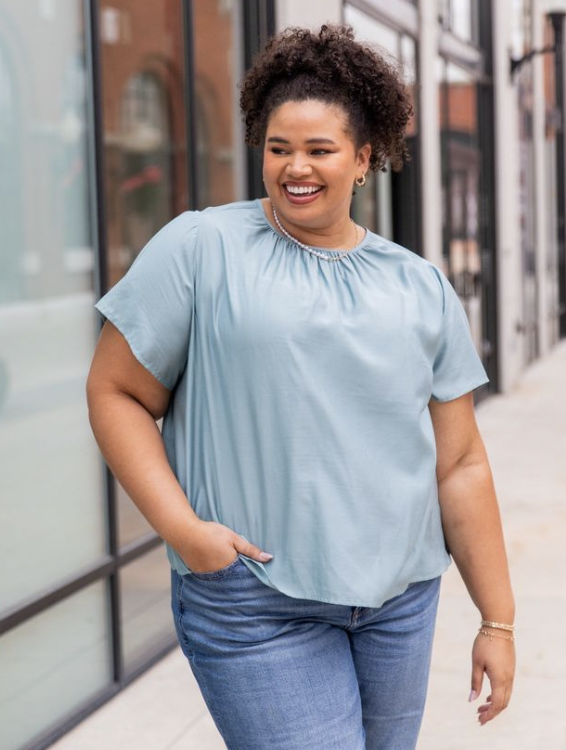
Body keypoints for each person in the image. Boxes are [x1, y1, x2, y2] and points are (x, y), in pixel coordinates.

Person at [86, 24, 515, 750]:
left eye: (319, 150)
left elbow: (461, 462)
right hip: (253, 600)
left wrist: (497, 618)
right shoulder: (201, 248)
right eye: (279, 148)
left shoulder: (419, 286)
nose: (295, 168)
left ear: (364, 158)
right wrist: (187, 533)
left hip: (397, 604)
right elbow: (115, 391)